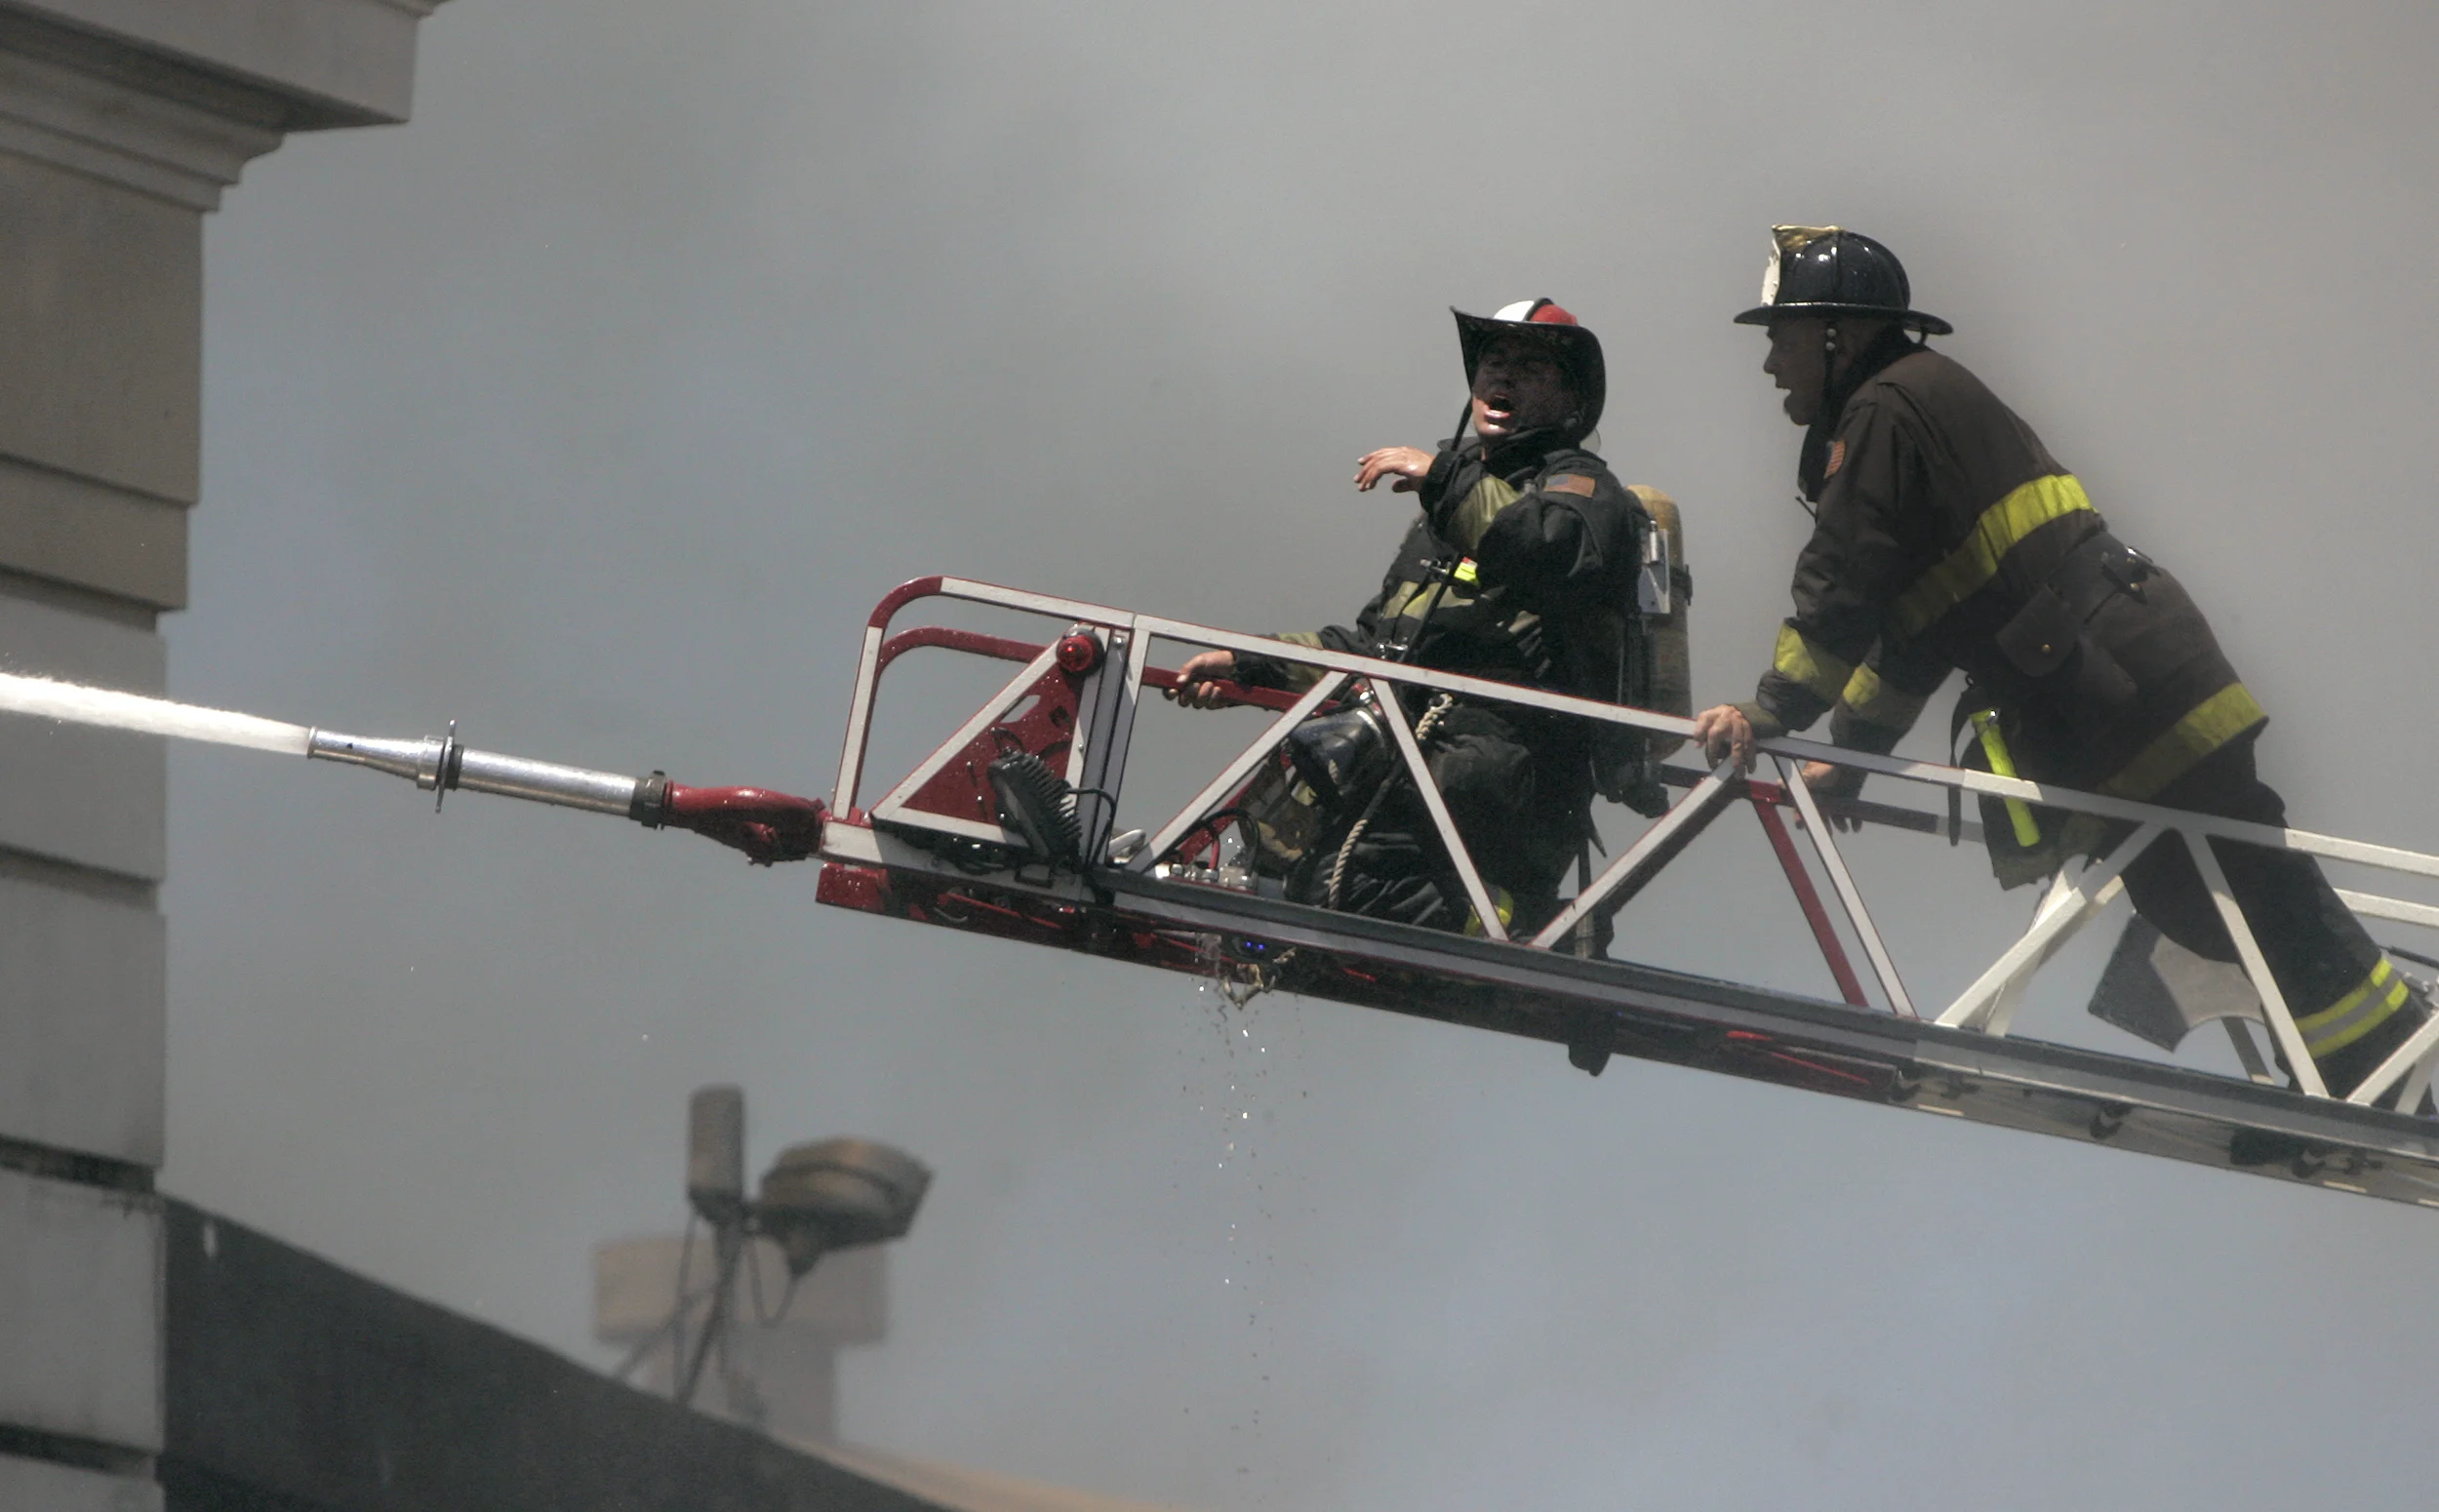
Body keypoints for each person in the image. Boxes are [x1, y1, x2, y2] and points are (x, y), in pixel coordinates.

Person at [1691, 225, 2427, 1100]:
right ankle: (2368, 1064)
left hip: (2120, 690)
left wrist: (1768, 709)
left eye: (1781, 336)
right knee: (2203, 891)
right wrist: (1857, 751)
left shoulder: (1886, 409)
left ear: (1836, 332)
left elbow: (1844, 581)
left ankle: (2391, 1061)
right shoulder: (1916, 403)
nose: (1771, 362)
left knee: (2240, 885)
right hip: (2130, 680)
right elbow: (1917, 625)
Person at [1171, 298, 1690, 935]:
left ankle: (1523, 925)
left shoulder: (1585, 491)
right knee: (1292, 870)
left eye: (1529, 367)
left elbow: (1548, 550)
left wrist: (1441, 476)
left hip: (1511, 778)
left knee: (1340, 888)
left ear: (1570, 399)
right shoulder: (1448, 512)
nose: (1502, 378)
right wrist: (1250, 663)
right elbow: (1375, 647)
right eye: (1493, 362)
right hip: (1437, 768)